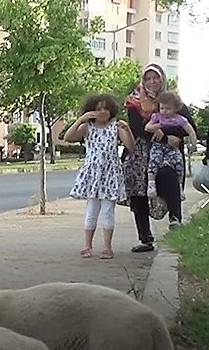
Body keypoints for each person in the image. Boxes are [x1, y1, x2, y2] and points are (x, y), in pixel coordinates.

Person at [122, 63, 197, 251]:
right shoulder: (134, 102)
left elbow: (190, 127)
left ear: (162, 78)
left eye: (155, 77)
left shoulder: (173, 101)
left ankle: (176, 222)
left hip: (168, 153)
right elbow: (137, 129)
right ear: (143, 81)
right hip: (141, 153)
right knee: (139, 193)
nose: (152, 81)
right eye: (148, 78)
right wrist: (162, 132)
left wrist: (176, 136)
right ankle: (145, 239)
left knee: (168, 176)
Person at [64, 93, 135, 259]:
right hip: (93, 174)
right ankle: (87, 246)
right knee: (91, 210)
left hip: (110, 174)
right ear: (91, 111)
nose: (102, 112)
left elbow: (131, 146)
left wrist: (127, 129)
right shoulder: (88, 127)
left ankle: (107, 247)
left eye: (106, 108)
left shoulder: (115, 128)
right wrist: (80, 120)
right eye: (98, 109)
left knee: (108, 210)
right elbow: (68, 137)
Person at [144, 91, 198, 200]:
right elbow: (147, 127)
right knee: (154, 160)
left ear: (175, 109)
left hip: (173, 148)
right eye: (162, 108)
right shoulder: (157, 117)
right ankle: (151, 183)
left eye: (168, 109)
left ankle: (179, 187)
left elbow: (191, 130)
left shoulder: (179, 119)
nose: (164, 111)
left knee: (178, 162)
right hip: (158, 145)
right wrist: (156, 127)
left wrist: (194, 143)